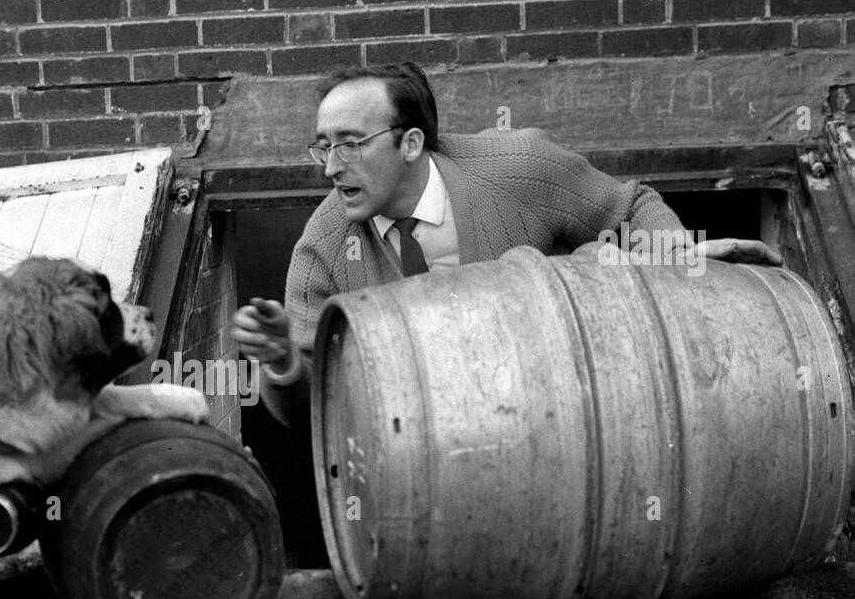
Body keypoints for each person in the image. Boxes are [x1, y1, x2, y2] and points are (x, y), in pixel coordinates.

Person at [231, 61, 783, 428]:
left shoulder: (518, 169)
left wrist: (676, 263)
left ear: (411, 143)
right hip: (426, 455)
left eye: (350, 145)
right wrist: (281, 362)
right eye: (322, 147)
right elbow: (308, 412)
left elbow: (628, 208)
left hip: (560, 418)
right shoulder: (322, 250)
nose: (330, 167)